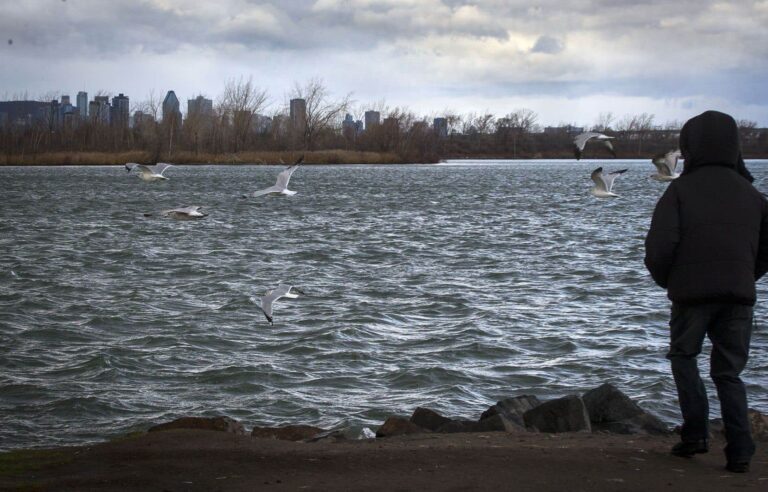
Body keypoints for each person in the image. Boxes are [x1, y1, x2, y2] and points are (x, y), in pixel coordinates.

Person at [644, 110, 768, 473]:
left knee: (684, 358)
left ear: (690, 146)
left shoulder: (680, 190)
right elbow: (766, 248)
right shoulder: (752, 194)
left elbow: (659, 247)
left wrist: (671, 281)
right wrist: (746, 275)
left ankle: (695, 435)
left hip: (691, 296)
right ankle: (741, 449)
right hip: (738, 295)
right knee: (729, 373)